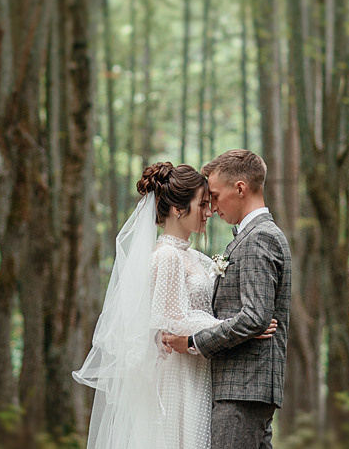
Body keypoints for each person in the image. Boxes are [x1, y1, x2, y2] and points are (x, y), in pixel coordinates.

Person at [73, 161, 277, 449]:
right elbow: (173, 320)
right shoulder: (166, 256)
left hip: (202, 369)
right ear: (177, 209)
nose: (209, 212)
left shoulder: (199, 259)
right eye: (202, 204)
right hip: (181, 378)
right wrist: (242, 327)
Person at [162, 149, 292, 449]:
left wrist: (192, 342)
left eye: (216, 196)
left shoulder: (258, 237)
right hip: (246, 387)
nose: (213, 207)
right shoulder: (253, 236)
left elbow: (255, 317)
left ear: (241, 189)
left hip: (241, 388)